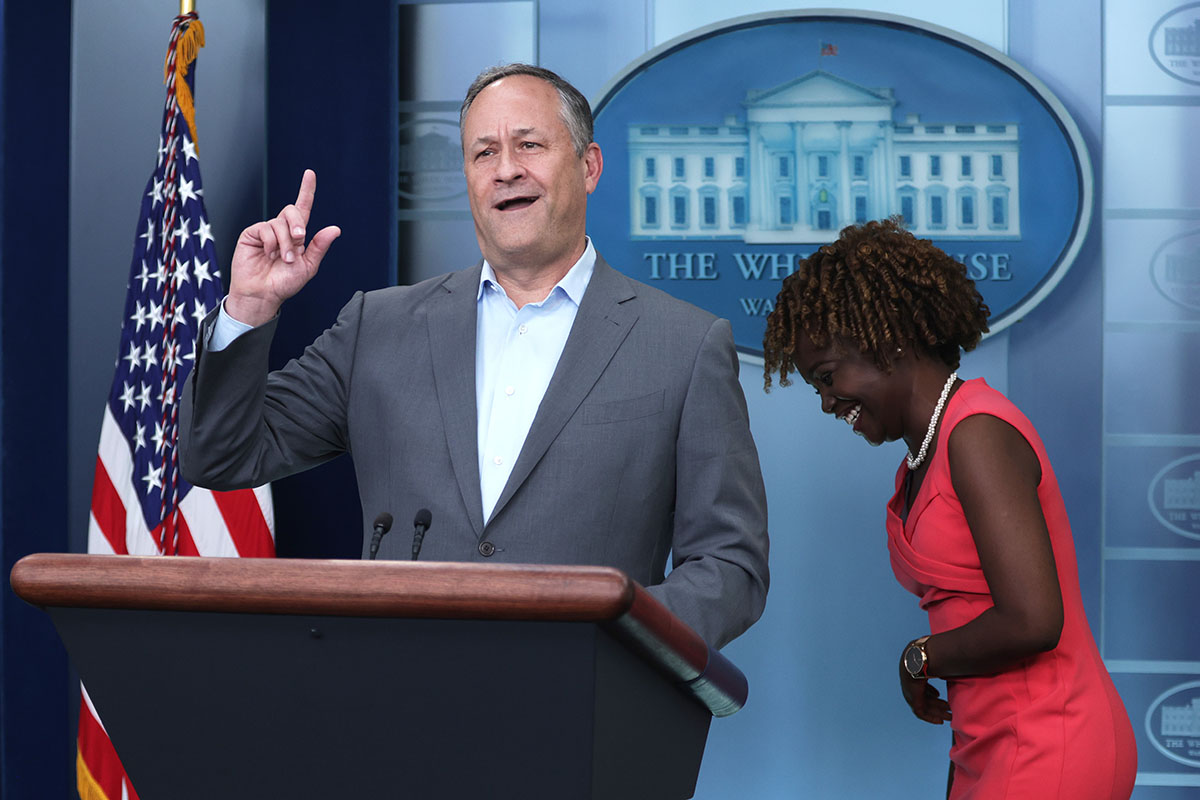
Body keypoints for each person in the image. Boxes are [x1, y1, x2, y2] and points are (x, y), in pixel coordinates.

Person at [179, 63, 769, 649]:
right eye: (484, 153)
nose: (506, 169)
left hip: (580, 713)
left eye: (529, 145)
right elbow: (221, 455)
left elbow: (730, 566)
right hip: (398, 708)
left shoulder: (684, 346)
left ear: (588, 167)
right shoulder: (375, 328)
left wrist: (610, 643)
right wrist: (248, 308)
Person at [762, 218, 1135, 798]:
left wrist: (920, 656)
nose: (828, 402)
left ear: (887, 340)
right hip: (986, 740)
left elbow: (1033, 621)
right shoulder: (924, 457)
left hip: (1049, 736)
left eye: (828, 378)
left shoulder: (977, 434)